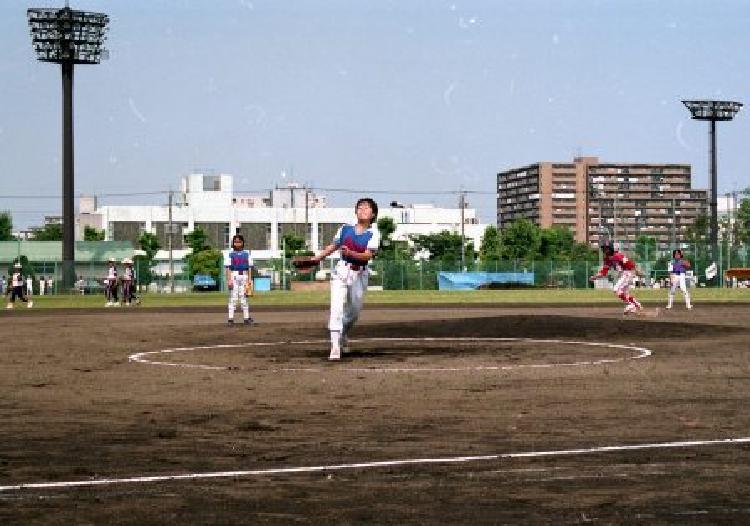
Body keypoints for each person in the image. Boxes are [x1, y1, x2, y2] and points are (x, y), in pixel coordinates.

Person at [310, 198, 380, 360]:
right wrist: (317, 258)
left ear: (373, 214)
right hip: (341, 271)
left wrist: (352, 253)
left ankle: (343, 333)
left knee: (354, 312)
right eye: (360, 207)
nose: (362, 209)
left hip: (360, 274)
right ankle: (335, 347)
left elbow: (368, 256)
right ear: (355, 211)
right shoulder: (345, 229)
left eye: (367, 207)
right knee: (336, 309)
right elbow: (333, 246)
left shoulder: (374, 233)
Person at [590, 241, 643, 315]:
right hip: (624, 274)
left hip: (628, 273)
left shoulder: (617, 255)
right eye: (604, 249)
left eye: (607, 248)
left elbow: (630, 264)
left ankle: (631, 305)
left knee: (616, 289)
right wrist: (594, 277)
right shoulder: (607, 259)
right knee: (625, 294)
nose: (605, 250)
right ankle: (637, 305)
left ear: (611, 248)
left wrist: (637, 271)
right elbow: (603, 272)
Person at [224, 234, 253, 326]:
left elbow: (249, 268)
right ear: (233, 243)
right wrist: (229, 280)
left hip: (244, 276)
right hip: (234, 275)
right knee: (233, 298)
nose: (237, 243)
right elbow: (228, 268)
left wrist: (249, 280)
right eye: (235, 242)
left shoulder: (247, 254)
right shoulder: (230, 254)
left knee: (244, 298)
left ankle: (246, 318)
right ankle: (230, 319)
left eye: (239, 241)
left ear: (243, 243)